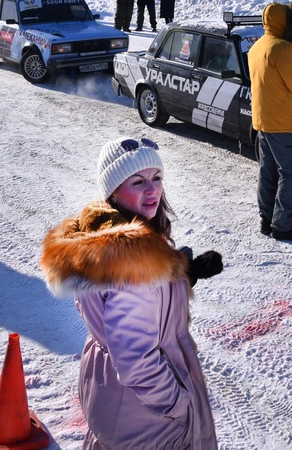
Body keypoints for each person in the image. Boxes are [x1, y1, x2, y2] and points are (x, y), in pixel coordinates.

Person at [40, 136, 221, 449]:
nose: (152, 190)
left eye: (156, 178)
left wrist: (182, 275)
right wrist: (176, 402)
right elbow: (136, 358)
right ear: (113, 190)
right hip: (146, 412)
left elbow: (122, 305)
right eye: (137, 182)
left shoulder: (103, 240)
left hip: (111, 389)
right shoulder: (133, 262)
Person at [247, 2, 292, 242]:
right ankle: (282, 225)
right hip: (283, 123)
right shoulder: (283, 49)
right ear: (286, 23)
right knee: (290, 174)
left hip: (263, 121)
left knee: (268, 172)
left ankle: (267, 219)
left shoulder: (258, 46)